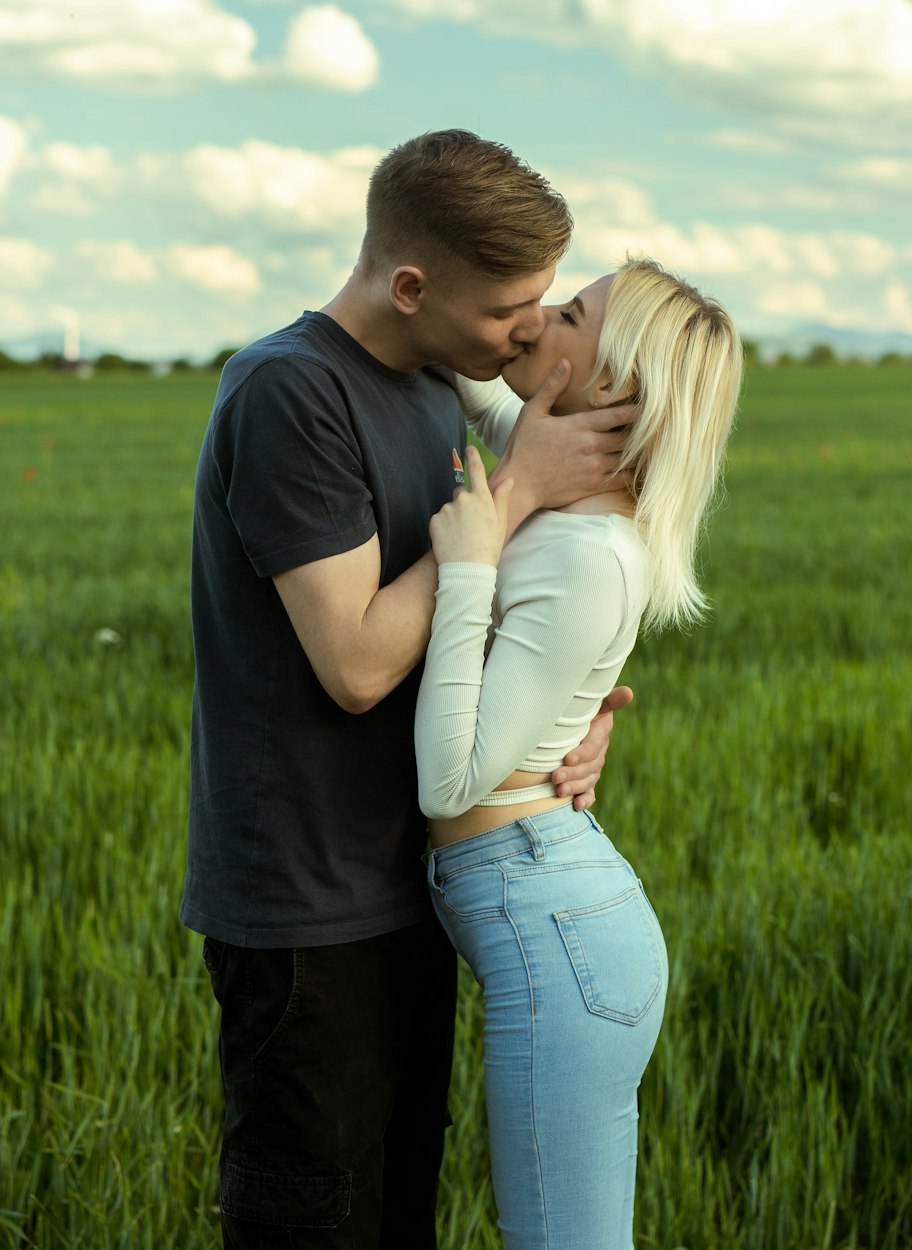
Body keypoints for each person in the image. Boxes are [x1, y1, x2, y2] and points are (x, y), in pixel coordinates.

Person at [180, 129, 637, 1250]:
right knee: (313, 1219)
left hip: (414, 885)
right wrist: (517, 489)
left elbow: (502, 613)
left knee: (395, 1216)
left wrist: (575, 722)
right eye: (505, 309)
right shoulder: (290, 392)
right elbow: (358, 661)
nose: (528, 327)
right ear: (410, 283)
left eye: (544, 300)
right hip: (305, 906)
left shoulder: (438, 387)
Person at [417, 257, 743, 1250]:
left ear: (608, 385)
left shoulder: (582, 549)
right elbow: (462, 361)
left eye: (564, 314)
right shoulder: (553, 477)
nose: (528, 323)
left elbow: (451, 775)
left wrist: (471, 555)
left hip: (554, 924)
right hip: (546, 902)